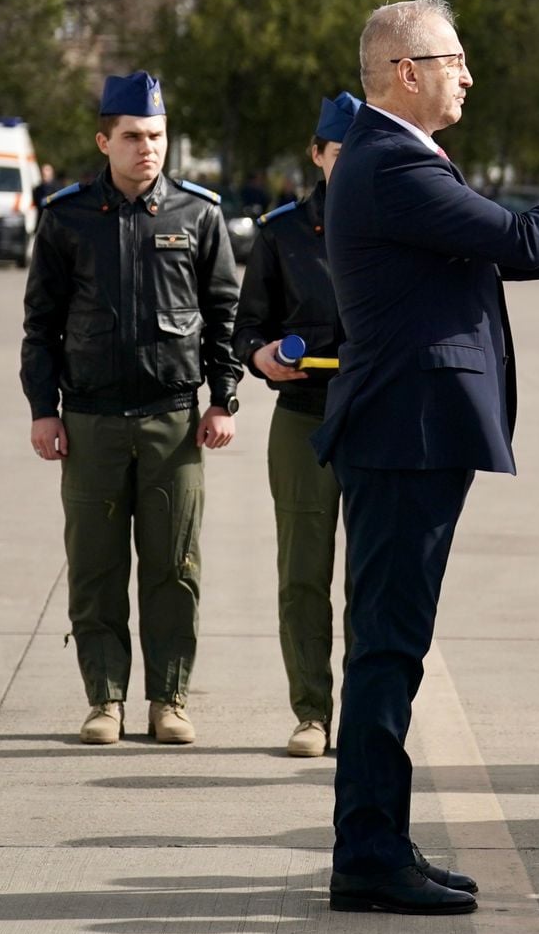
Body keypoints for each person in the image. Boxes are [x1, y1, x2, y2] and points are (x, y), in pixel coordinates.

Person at [313, 0, 539, 916]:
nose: (467, 76)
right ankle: (368, 855)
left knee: (396, 647)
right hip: (404, 434)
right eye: (453, 60)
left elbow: (483, 254)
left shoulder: (396, 159)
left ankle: (382, 840)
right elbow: (507, 236)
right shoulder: (388, 161)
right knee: (388, 650)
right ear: (405, 72)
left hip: (411, 433)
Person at [21, 71, 241, 747]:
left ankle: (168, 699)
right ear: (104, 141)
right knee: (96, 565)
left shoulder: (197, 215)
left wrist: (223, 399)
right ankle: (105, 700)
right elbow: (42, 324)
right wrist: (43, 409)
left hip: (174, 421)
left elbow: (223, 315)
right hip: (89, 421)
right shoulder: (66, 218)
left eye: (156, 136)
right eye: (133, 137)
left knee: (174, 566)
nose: (147, 149)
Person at [233, 92, 360, 758]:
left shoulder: (401, 221)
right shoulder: (281, 232)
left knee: (370, 579)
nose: (355, 163)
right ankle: (312, 712)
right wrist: (258, 356)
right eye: (343, 152)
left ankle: (366, 721)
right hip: (305, 416)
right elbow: (248, 324)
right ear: (317, 155)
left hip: (376, 420)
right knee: (304, 573)